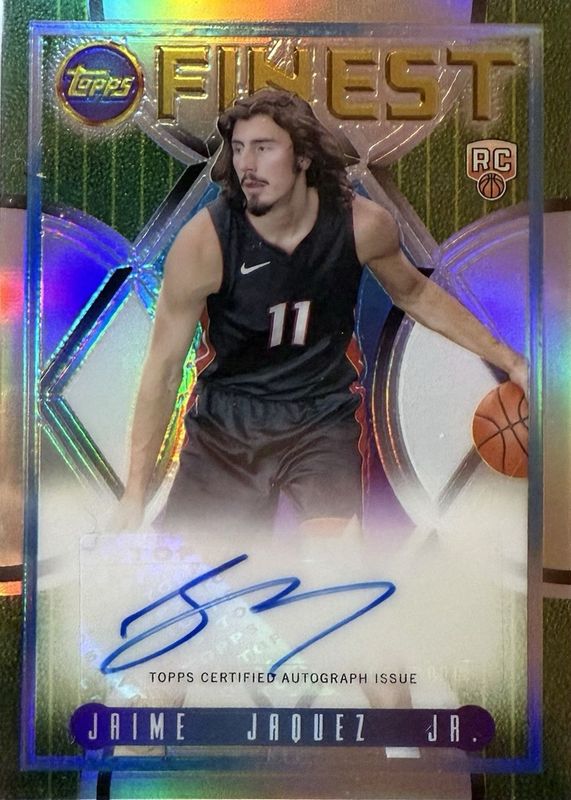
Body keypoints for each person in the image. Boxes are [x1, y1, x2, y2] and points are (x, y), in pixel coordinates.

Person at [113, 89, 527, 536]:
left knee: (334, 565)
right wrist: (134, 495)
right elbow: (164, 367)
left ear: (303, 157)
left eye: (264, 148)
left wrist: (511, 361)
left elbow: (416, 294)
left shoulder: (362, 225)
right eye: (239, 148)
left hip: (320, 417)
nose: (247, 164)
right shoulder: (204, 243)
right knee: (206, 569)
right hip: (228, 424)